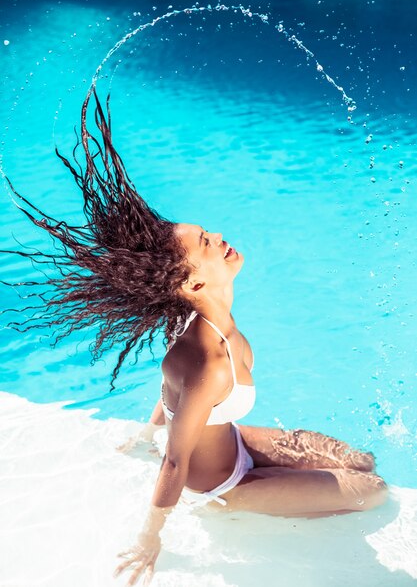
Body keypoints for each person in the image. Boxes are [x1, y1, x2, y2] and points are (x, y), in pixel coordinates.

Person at [2, 92, 387, 587]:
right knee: (372, 490)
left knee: (361, 460)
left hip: (237, 442)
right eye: (207, 244)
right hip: (226, 483)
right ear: (194, 284)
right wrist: (151, 537)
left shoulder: (199, 317)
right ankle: (235, 507)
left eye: (208, 234)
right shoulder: (206, 359)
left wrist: (146, 430)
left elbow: (171, 392)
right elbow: (176, 459)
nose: (219, 238)